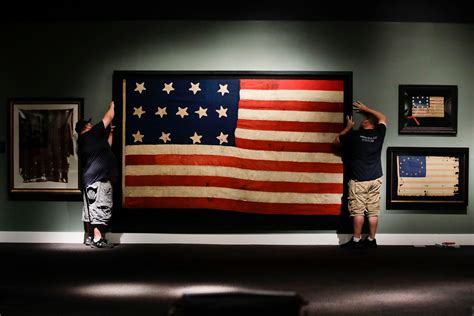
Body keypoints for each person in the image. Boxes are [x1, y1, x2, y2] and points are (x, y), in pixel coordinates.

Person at [334, 101, 387, 249]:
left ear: (370, 124)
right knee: (373, 212)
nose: (365, 119)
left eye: (368, 118)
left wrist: (348, 128)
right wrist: (367, 108)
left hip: (359, 181)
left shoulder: (354, 136)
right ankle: (371, 240)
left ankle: (356, 241)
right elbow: (383, 117)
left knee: (358, 211)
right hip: (376, 179)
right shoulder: (379, 134)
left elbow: (336, 142)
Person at [75, 101, 118, 248]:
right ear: (86, 128)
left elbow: (106, 148)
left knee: (90, 209)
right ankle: (98, 239)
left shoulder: (85, 142)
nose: (91, 125)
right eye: (89, 124)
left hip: (90, 180)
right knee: (100, 207)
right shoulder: (91, 135)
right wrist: (112, 105)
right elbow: (109, 116)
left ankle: (90, 237)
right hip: (98, 180)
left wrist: (111, 132)